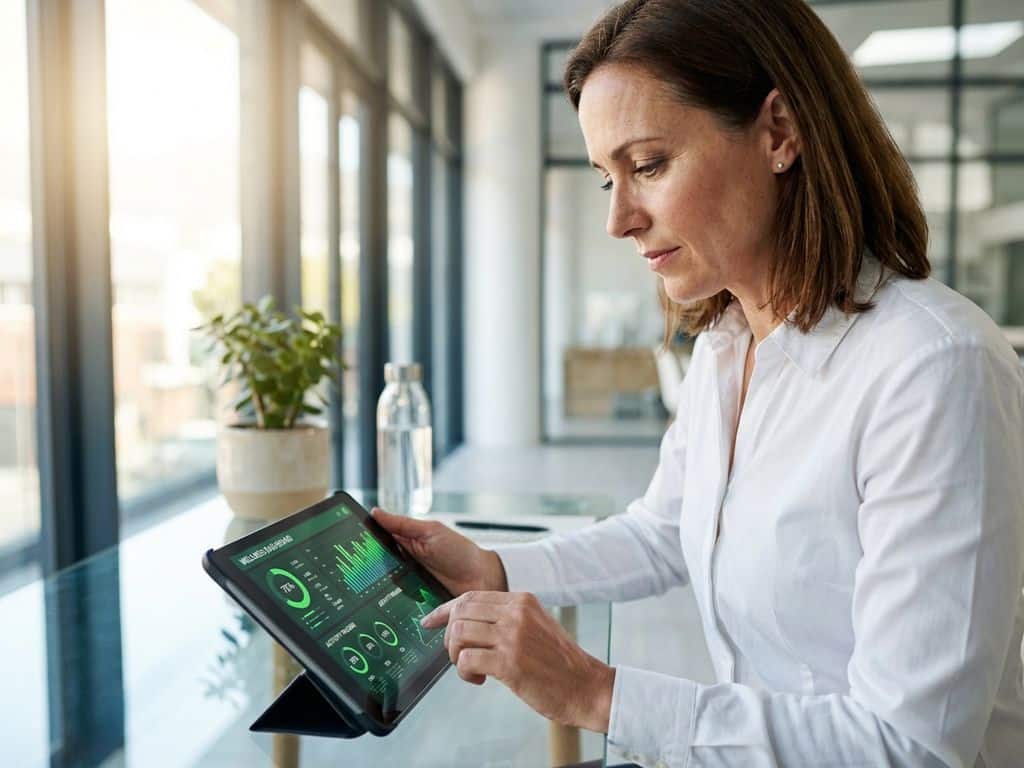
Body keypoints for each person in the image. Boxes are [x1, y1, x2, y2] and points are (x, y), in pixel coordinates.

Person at [373, 0, 1024, 765]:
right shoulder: (728, 345)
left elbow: (907, 746)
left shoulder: (933, 369)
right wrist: (495, 567)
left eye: (647, 166)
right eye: (604, 178)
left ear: (780, 133)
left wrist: (595, 693)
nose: (619, 219)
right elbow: (664, 531)